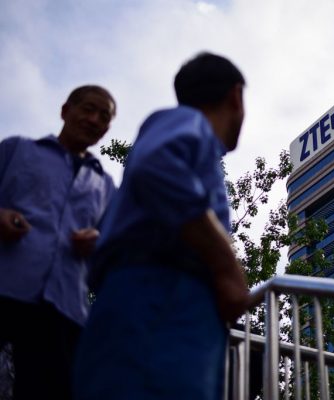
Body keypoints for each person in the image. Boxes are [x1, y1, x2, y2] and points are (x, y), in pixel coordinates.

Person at [73, 52, 250, 400]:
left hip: (164, 306)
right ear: (235, 96)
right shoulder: (188, 121)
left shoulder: (197, 148)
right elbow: (156, 166)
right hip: (161, 298)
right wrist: (226, 266)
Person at [0, 85, 117, 400]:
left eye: (103, 116)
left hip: (64, 307)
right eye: (87, 109)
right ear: (66, 111)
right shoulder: (16, 150)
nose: (93, 119)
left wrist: (98, 241)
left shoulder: (106, 186)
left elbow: (113, 253)